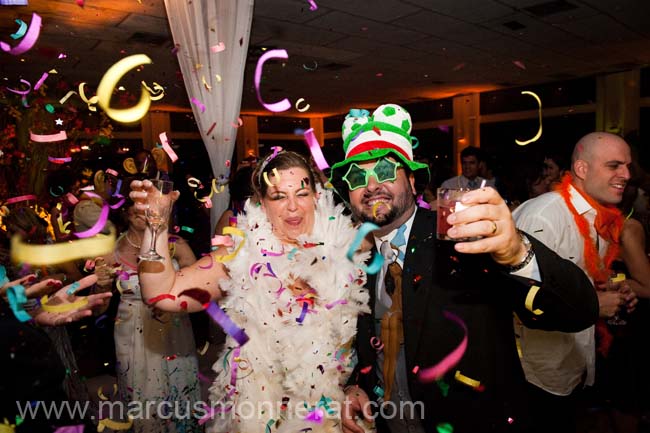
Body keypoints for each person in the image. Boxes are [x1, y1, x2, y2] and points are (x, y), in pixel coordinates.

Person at [327, 103, 599, 433]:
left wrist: (516, 252)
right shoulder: (354, 258)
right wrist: (354, 385)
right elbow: (358, 346)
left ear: (413, 182)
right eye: (358, 177)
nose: (371, 186)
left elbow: (579, 310)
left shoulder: (457, 237)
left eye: (384, 171)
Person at [130, 150, 371, 433]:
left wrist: (359, 386)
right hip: (258, 414)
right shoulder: (240, 254)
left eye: (302, 194)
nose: (292, 207)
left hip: (330, 414)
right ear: (261, 202)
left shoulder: (351, 243)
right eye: (279, 196)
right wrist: (156, 223)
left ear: (317, 196)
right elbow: (161, 293)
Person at [512, 132, 638, 432]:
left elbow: (574, 281)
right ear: (582, 169)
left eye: (627, 166)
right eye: (614, 165)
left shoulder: (599, 217)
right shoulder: (543, 217)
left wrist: (610, 290)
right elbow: (520, 302)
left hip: (575, 363)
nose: (627, 174)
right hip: (538, 376)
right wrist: (594, 305)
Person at [95, 190, 201, 433]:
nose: (142, 212)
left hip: (173, 327)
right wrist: (100, 285)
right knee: (138, 385)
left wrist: (175, 300)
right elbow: (100, 307)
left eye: (147, 207)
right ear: (126, 211)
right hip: (132, 330)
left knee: (178, 381)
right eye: (137, 207)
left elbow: (198, 288)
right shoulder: (112, 251)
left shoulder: (177, 245)